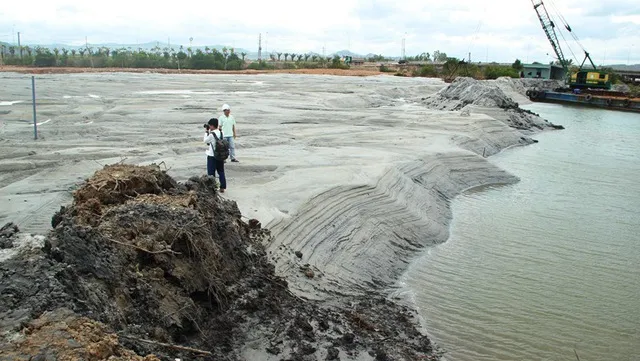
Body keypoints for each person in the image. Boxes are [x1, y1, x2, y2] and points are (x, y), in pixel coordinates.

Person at [203, 118, 226, 193]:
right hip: (220, 155)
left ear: (212, 126)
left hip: (212, 155)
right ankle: (222, 187)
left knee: (211, 173)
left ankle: (213, 188)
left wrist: (206, 132)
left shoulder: (212, 134)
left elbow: (205, 141)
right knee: (221, 171)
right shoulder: (221, 132)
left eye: (210, 126)